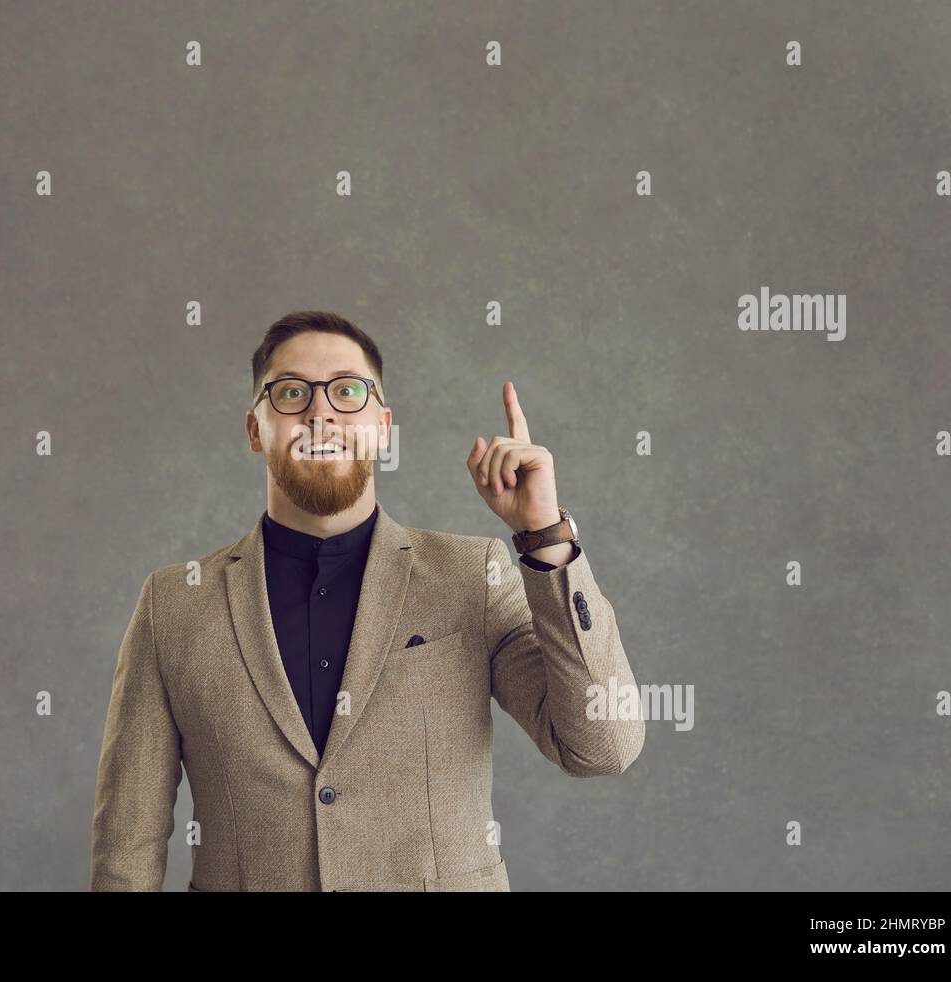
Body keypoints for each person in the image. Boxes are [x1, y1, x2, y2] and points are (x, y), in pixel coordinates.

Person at [90, 310, 644, 891]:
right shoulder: (173, 606)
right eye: (291, 392)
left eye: (347, 391)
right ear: (255, 430)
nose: (321, 412)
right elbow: (126, 846)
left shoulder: (468, 578)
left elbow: (602, 746)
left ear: (382, 426)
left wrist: (545, 536)